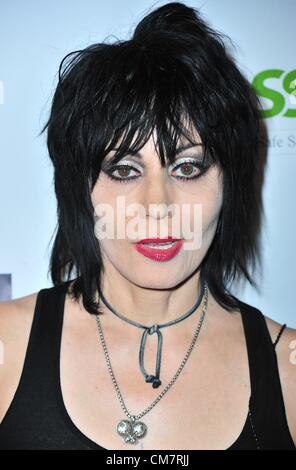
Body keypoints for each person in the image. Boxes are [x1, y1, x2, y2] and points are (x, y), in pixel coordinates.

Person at [0, 2, 295, 450]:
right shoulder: (6, 344)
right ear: (80, 189)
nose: (157, 206)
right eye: (123, 170)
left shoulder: (288, 370)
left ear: (229, 185)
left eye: (188, 167)